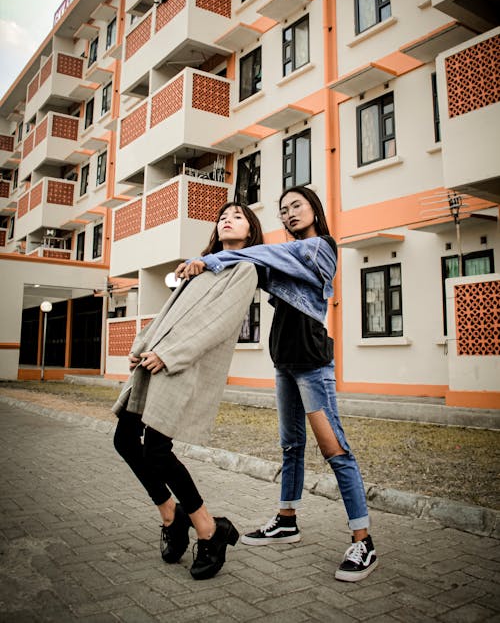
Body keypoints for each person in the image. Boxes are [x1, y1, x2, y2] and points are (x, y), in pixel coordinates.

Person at [176, 186, 378, 582]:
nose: (289, 214)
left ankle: (363, 540)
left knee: (335, 451)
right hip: (285, 363)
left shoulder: (320, 248)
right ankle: (287, 520)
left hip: (311, 364)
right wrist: (210, 264)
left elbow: (263, 255)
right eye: (283, 210)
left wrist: (211, 257)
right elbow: (250, 266)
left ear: (314, 210)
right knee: (291, 446)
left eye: (296, 206)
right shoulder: (280, 258)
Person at [113, 202, 263, 580]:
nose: (228, 219)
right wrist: (141, 345)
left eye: (238, 216)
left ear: (251, 230)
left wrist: (170, 354)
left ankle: (209, 529)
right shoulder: (202, 265)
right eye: (223, 216)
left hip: (182, 364)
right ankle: (170, 514)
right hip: (154, 359)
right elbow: (169, 311)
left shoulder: (244, 270)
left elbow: (218, 324)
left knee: (158, 450)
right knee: (125, 439)